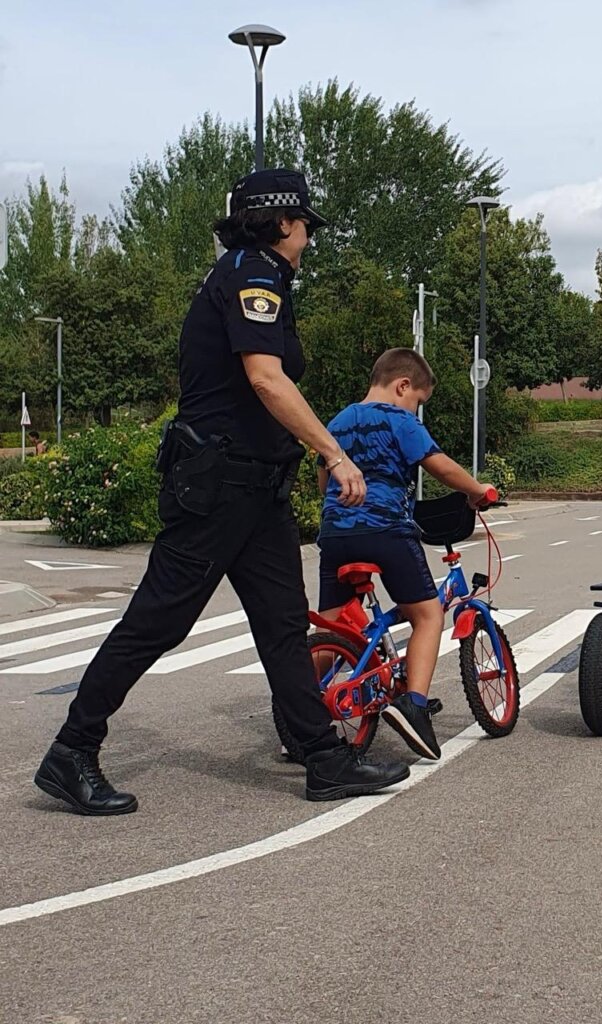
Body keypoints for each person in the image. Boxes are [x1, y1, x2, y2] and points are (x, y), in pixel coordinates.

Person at [33, 168, 409, 816]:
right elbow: (266, 378)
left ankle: (323, 758)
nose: (310, 241)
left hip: (255, 490)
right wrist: (334, 452)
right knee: (159, 620)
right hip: (217, 488)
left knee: (284, 626)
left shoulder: (259, 275)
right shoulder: (252, 272)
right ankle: (71, 750)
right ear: (280, 223)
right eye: (306, 228)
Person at [316, 348, 491, 761]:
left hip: (335, 534)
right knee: (427, 613)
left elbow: (324, 476)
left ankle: (298, 714)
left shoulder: (336, 421)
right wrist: (476, 490)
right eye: (418, 402)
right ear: (403, 386)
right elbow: (438, 465)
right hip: (386, 530)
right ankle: (413, 703)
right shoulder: (399, 419)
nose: (417, 409)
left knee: (333, 626)